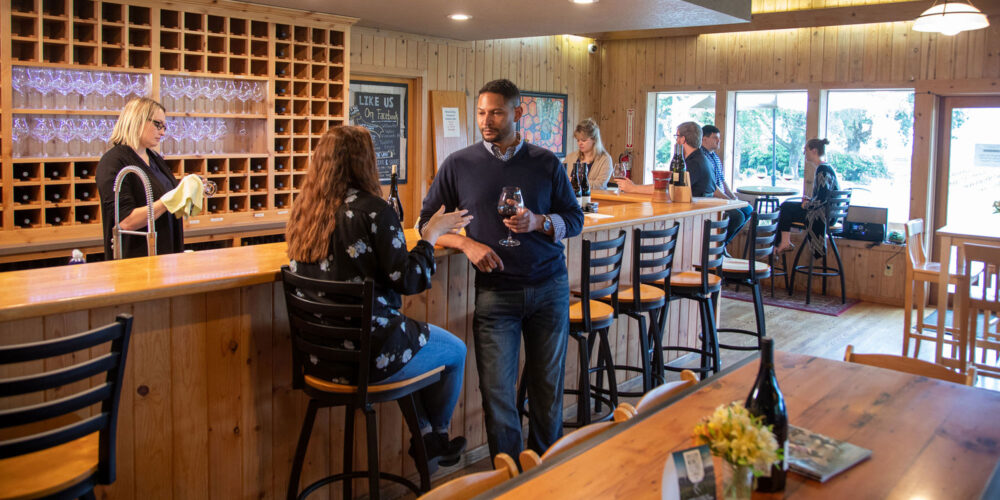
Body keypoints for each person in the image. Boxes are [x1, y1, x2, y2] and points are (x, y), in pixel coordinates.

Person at [285, 125, 474, 468]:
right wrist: (430, 235)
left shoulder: (304, 210)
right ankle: (436, 437)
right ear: (364, 162)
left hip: (318, 359)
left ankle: (429, 436)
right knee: (454, 351)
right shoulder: (375, 211)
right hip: (372, 357)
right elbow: (410, 279)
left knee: (414, 346)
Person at [418, 79, 584, 460]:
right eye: (480, 112)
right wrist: (466, 243)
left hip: (549, 288)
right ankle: (508, 478)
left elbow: (574, 220)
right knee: (497, 395)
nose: (486, 120)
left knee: (547, 391)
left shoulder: (546, 162)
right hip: (495, 294)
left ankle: (544, 477)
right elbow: (425, 224)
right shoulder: (459, 164)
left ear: (517, 112)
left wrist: (540, 222)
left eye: (495, 112)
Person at [97, 97, 182, 259]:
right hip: (135, 260)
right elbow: (126, 220)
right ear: (137, 120)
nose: (163, 132)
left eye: (164, 126)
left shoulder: (154, 157)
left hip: (165, 256)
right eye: (158, 124)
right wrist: (168, 201)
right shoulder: (113, 162)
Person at [774, 138, 840, 255]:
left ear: (814, 151)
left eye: (806, 150)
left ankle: (782, 243)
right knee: (787, 206)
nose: (804, 153)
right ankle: (783, 242)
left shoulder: (822, 170)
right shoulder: (827, 168)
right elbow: (823, 195)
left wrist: (807, 204)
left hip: (822, 216)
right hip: (830, 214)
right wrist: (810, 201)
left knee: (785, 207)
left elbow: (822, 198)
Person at [616, 121, 716, 198]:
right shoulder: (703, 159)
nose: (676, 140)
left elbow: (667, 188)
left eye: (677, 136)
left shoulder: (694, 163)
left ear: (683, 139)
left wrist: (633, 188)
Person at [702, 124, 753, 248]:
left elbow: (723, 181)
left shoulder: (715, 157)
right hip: (712, 200)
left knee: (748, 209)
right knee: (738, 217)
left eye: (719, 138)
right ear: (704, 139)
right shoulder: (702, 157)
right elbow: (713, 186)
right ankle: (718, 247)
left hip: (722, 198)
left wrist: (734, 198)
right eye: (715, 138)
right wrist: (728, 201)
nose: (719, 141)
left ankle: (723, 243)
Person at [563, 118, 613, 190]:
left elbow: (600, 185)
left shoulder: (605, 159)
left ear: (594, 139)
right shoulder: (571, 157)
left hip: (595, 199)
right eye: (578, 140)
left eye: (584, 140)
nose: (580, 143)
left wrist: (576, 182)